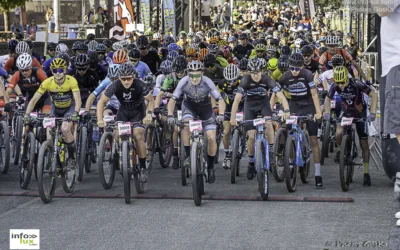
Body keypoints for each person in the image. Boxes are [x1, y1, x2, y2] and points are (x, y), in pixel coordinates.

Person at [166, 60, 226, 183]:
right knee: (186, 125)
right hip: (189, 106)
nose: (194, 78)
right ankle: (188, 155)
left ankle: (210, 168)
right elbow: (172, 100)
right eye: (191, 75)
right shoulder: (183, 81)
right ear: (188, 74)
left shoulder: (207, 81)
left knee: (211, 138)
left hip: (206, 108)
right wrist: (170, 115)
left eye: (197, 75)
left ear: (202, 73)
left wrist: (221, 114)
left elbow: (219, 99)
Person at [231, 58, 289, 180]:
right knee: (251, 136)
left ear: (262, 71)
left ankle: (272, 152)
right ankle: (251, 162)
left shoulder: (267, 79)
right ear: (249, 72)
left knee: (268, 123)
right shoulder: (245, 80)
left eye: (257, 72)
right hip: (250, 106)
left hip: (264, 104)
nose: (255, 75)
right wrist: (232, 117)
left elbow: (281, 96)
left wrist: (286, 110)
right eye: (252, 73)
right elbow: (236, 101)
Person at [96, 62, 154, 183]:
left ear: (133, 76)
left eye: (128, 79)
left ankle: (143, 166)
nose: (126, 82)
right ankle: (121, 154)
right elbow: (101, 102)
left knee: (138, 135)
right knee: (117, 135)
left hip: (138, 111)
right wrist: (100, 119)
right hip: (123, 111)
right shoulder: (115, 85)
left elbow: (151, 100)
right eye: (123, 79)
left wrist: (149, 114)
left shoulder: (140, 84)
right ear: (119, 78)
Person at [323, 66, 377, 186]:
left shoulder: (356, 83)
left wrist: (372, 112)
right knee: (338, 133)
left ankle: (366, 173)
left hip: (360, 112)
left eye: (342, 82)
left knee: (364, 143)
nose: (340, 85)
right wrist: (326, 112)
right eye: (338, 82)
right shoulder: (335, 85)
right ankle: (340, 151)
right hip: (346, 111)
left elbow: (373, 94)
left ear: (347, 78)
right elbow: (327, 99)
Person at [25, 58, 82, 161]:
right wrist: (27, 114)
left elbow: (78, 99)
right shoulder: (47, 82)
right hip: (55, 108)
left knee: (65, 129)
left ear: (65, 70)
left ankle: (72, 156)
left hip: (69, 108)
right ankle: (51, 157)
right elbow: (34, 99)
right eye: (54, 71)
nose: (57, 73)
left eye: (60, 70)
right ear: (51, 71)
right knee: (49, 133)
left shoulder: (71, 80)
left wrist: (76, 113)